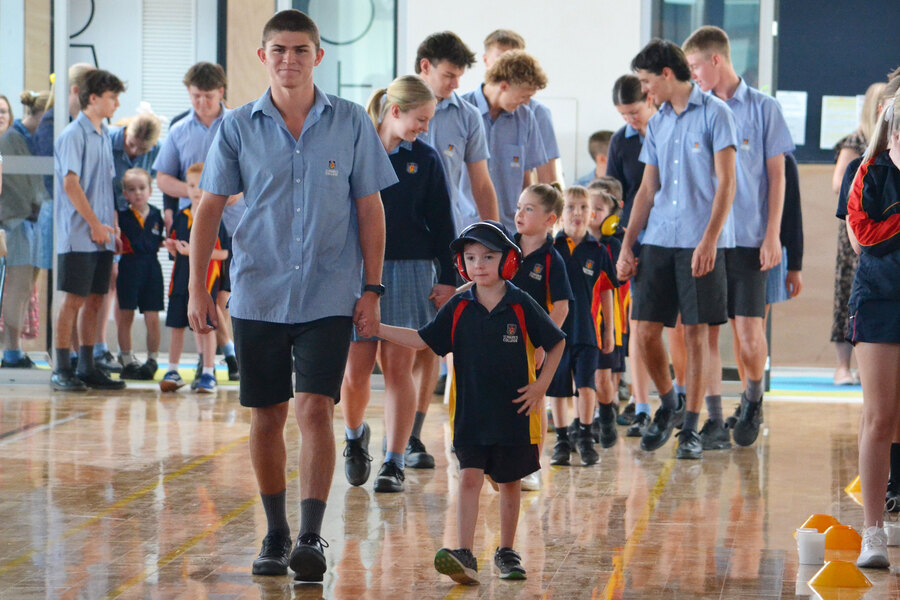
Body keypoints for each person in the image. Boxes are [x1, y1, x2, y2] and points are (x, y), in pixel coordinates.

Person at [186, 10, 398, 582]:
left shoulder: (351, 122)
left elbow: (370, 208)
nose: (289, 59)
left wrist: (373, 289)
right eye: (278, 49)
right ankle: (276, 532)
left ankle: (310, 534)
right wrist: (197, 288)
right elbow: (208, 207)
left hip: (330, 292)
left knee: (314, 410)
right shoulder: (235, 127)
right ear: (263, 57)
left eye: (300, 50)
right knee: (267, 415)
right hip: (258, 292)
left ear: (318, 57)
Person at [377, 220, 565, 583]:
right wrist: (378, 329)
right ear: (462, 264)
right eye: (471, 257)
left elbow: (556, 341)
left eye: (488, 256)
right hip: (470, 415)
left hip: (515, 414)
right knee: (468, 479)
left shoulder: (521, 303)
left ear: (507, 261)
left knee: (510, 484)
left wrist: (541, 386)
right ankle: (463, 551)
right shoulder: (458, 306)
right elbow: (421, 340)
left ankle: (507, 551)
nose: (479, 264)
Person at [616, 39, 737, 460]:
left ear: (667, 75)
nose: (646, 92)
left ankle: (691, 426)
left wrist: (709, 239)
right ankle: (668, 403)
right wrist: (627, 244)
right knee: (645, 330)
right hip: (658, 241)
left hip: (699, 242)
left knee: (697, 334)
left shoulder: (717, 114)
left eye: (648, 82)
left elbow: (727, 184)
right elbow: (647, 189)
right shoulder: (659, 123)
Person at [340, 74, 456, 493]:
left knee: (398, 368)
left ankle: (394, 459)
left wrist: (448, 278)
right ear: (395, 111)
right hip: (356, 270)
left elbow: (444, 221)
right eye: (420, 119)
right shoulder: (353, 150)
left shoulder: (424, 159)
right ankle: (355, 439)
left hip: (410, 268)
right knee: (355, 370)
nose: (425, 127)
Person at [682, 25, 795, 449]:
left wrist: (772, 235)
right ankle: (712, 420)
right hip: (708, 239)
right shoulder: (698, 111)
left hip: (749, 238)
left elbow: (778, 177)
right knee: (707, 333)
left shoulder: (764, 109)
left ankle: (752, 397)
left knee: (749, 334)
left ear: (716, 60)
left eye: (695, 66)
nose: (692, 76)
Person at [410, 30, 500, 471]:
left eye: (460, 77)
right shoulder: (389, 107)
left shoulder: (467, 116)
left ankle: (412, 435)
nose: (455, 85)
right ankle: (379, 434)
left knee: (432, 342)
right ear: (424, 66)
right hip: (402, 241)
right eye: (448, 75)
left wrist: (497, 238)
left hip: (452, 242)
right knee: (393, 347)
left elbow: (480, 182)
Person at [152, 61, 240, 382]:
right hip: (198, 224)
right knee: (205, 294)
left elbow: (255, 174)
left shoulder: (239, 123)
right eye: (195, 96)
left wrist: (236, 191)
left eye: (208, 96)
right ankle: (219, 360)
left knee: (228, 296)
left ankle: (231, 354)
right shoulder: (178, 131)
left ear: (221, 92)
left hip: (236, 224)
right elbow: (162, 178)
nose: (201, 103)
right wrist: (199, 193)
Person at [846, 89, 900, 569]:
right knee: (880, 417)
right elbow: (865, 235)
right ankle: (874, 532)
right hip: (881, 300)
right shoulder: (870, 170)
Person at [50, 69, 127, 392]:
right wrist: (95, 224)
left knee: (96, 299)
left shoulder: (104, 134)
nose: (117, 103)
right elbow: (71, 184)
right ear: (93, 98)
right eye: (112, 97)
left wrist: (113, 229)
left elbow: (106, 187)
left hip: (102, 235)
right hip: (79, 235)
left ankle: (86, 366)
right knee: (74, 300)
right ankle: (61, 368)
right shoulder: (73, 135)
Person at [605, 74, 659, 436]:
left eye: (634, 111)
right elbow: (613, 193)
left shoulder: (668, 131)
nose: (630, 120)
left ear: (650, 100)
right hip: (634, 241)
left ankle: (681, 399)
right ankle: (641, 406)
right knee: (639, 328)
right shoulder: (619, 142)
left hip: (672, 238)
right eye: (623, 114)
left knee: (682, 329)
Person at [510, 183, 572, 490]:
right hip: (496, 339)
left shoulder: (552, 260)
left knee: (534, 402)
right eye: (519, 207)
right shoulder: (504, 247)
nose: (520, 214)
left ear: (551, 219)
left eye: (529, 209)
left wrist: (543, 346)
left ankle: (532, 466)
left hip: (530, 345)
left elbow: (561, 307)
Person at [548, 185, 616, 466]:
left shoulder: (598, 250)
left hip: (587, 330)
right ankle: (562, 440)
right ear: (560, 214)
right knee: (558, 388)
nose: (577, 213)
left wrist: (609, 330)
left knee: (586, 385)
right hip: (556, 331)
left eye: (583, 207)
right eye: (571, 207)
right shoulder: (551, 247)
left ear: (592, 214)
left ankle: (586, 436)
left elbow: (606, 291)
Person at [92, 111, 163, 374]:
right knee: (114, 294)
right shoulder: (107, 141)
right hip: (111, 218)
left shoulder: (156, 151)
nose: (135, 151)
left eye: (141, 149)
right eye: (132, 145)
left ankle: (152, 358)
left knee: (151, 312)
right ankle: (113, 351)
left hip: (146, 260)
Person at [831, 82, 884, 386]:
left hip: (880, 229)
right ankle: (842, 366)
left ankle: (872, 363)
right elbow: (839, 182)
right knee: (847, 296)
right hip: (855, 227)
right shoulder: (857, 140)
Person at [461, 50, 549, 232]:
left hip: (510, 228)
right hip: (464, 226)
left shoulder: (525, 118)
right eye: (524, 96)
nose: (526, 103)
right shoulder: (461, 113)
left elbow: (527, 178)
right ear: (503, 85)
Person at [159, 163, 227, 394]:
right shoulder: (181, 216)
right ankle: (172, 369)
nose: (196, 190)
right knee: (176, 326)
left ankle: (208, 371)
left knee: (205, 327)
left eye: (200, 185)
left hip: (206, 283)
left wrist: (191, 251)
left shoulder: (215, 217)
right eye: (190, 185)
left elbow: (224, 253)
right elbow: (175, 246)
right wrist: (172, 247)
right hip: (180, 281)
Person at [0, 91, 50, 368]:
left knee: (25, 288)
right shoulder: (12, 140)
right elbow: (25, 186)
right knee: (17, 288)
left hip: (30, 221)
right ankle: (11, 351)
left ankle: (15, 349)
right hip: (16, 221)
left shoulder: (27, 139)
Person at [482, 30, 558, 185]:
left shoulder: (530, 115)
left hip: (514, 208)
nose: (526, 103)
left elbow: (544, 179)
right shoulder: (463, 112)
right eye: (502, 59)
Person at [116, 168, 165, 380]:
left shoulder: (156, 215)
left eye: (142, 188)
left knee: (152, 316)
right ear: (125, 194)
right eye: (132, 189)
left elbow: (158, 240)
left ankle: (152, 359)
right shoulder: (122, 216)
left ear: (150, 190)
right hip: (129, 266)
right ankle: (127, 359)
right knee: (126, 315)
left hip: (152, 268)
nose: (138, 193)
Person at [587, 185, 627, 421]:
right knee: (586, 375)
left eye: (598, 209)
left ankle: (608, 411)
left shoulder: (613, 246)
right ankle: (588, 418)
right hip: (586, 317)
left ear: (611, 218)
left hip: (610, 318)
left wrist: (613, 327)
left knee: (607, 373)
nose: (591, 212)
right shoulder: (574, 244)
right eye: (588, 206)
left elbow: (613, 286)